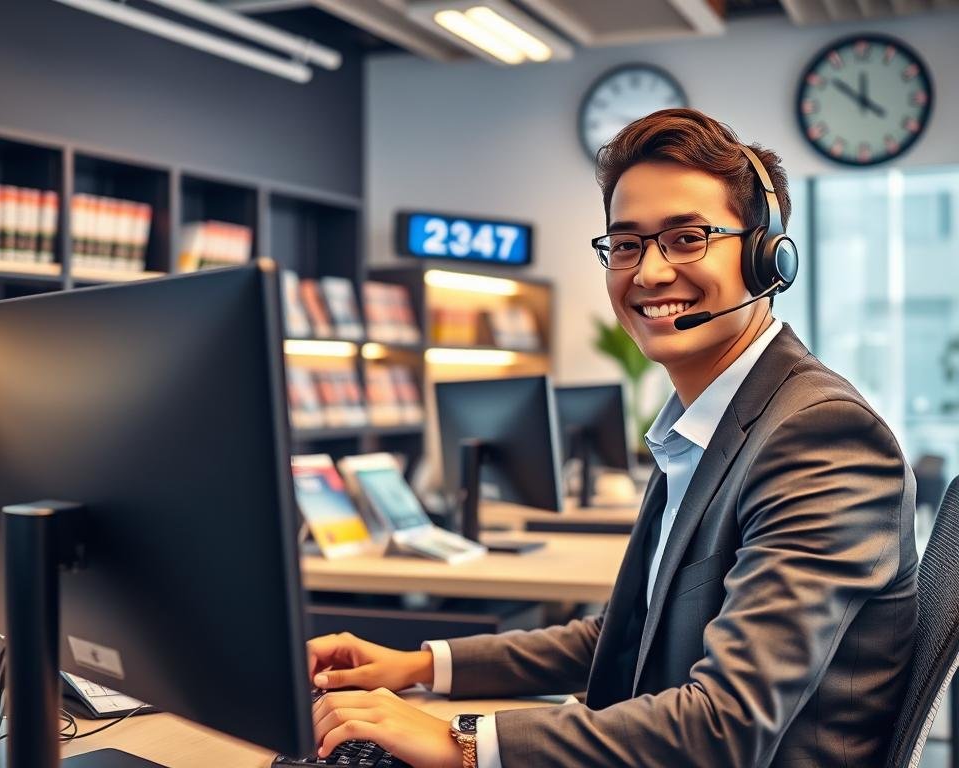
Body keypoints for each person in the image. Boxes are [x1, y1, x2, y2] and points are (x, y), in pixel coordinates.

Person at [307, 108, 918, 768]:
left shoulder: (819, 435)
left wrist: (461, 744)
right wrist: (419, 664)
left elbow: (725, 728)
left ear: (766, 256)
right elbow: (628, 635)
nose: (649, 274)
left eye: (686, 238)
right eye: (625, 245)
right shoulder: (711, 424)